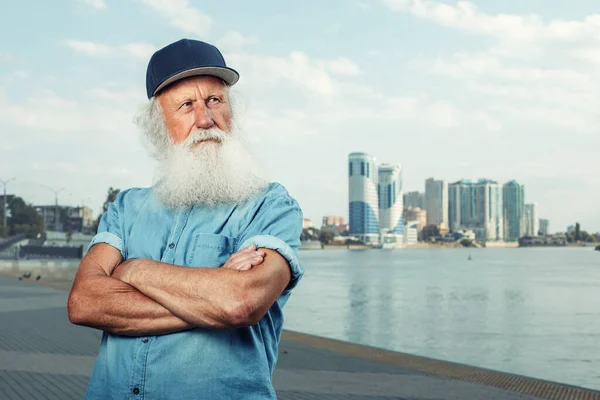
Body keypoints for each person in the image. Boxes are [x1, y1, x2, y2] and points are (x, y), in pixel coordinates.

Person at [67, 38, 304, 400]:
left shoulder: (271, 204)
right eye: (186, 105)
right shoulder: (126, 207)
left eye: (214, 100)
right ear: (159, 124)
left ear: (231, 110)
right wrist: (214, 294)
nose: (205, 119)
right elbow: (84, 302)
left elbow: (242, 302)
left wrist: (134, 271)